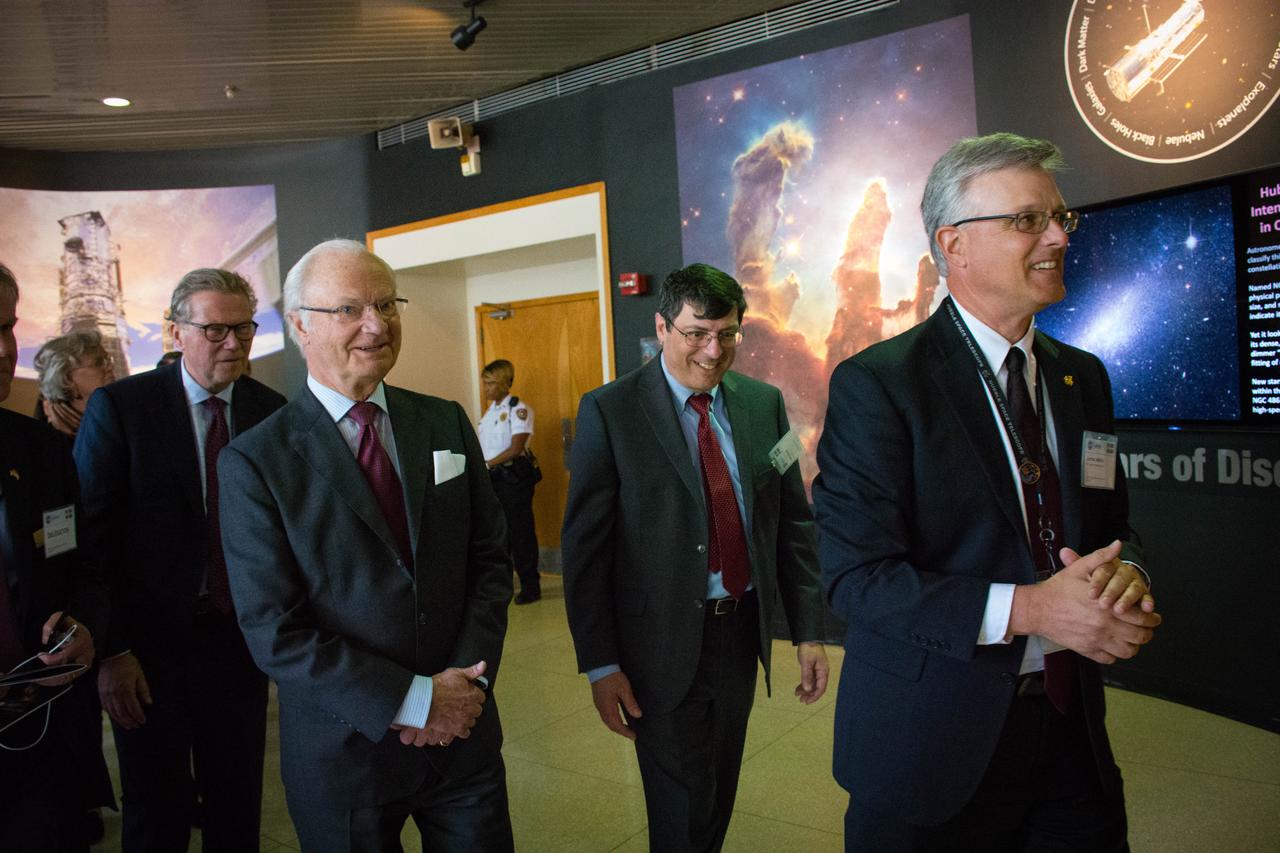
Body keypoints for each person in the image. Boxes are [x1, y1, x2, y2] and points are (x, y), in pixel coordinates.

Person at [813, 133, 1163, 851]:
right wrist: (1034, 608)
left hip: (1070, 736)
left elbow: (1113, 521)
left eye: (1061, 217)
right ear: (955, 244)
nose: (1059, 237)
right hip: (931, 748)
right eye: (1029, 219)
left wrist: (1127, 575)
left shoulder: (1083, 378)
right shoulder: (879, 385)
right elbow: (855, 579)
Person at [217, 239, 514, 853]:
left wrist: (465, 688)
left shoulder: (444, 420)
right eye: (349, 309)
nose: (376, 325)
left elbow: (488, 562)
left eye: (386, 304)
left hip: (463, 737)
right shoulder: (256, 461)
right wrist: (415, 700)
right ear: (300, 324)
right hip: (345, 753)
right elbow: (274, 629)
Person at [562, 263, 830, 852]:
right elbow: (586, 553)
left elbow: (792, 525)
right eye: (697, 334)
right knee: (679, 806)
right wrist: (601, 665)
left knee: (717, 787)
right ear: (662, 327)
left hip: (740, 634)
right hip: (657, 646)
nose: (714, 351)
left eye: (728, 334)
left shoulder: (763, 405)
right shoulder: (611, 411)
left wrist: (808, 631)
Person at [73, 268, 285, 852]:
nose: (233, 343)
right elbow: (92, 540)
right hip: (147, 652)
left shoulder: (270, 411)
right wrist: (113, 651)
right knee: (155, 808)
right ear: (175, 331)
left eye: (244, 328)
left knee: (237, 803)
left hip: (238, 645)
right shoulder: (123, 408)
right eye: (215, 330)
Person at [0, 262, 108, 852]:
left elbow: (80, 565)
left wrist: (84, 626)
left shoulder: (38, 451)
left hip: (42, 737)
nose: (3, 350)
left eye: (7, 327)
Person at [477, 358, 541, 604]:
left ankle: (530, 586)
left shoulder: (518, 409)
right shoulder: (490, 412)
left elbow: (515, 449)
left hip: (513, 478)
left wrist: (487, 465)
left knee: (520, 533)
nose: (486, 389)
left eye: (491, 383)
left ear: (504, 383)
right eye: (485, 383)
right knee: (499, 535)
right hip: (493, 479)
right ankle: (504, 584)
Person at [33, 330, 116, 436]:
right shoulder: (44, 438)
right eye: (98, 363)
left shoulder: (123, 413)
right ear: (66, 379)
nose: (110, 367)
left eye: (108, 360)